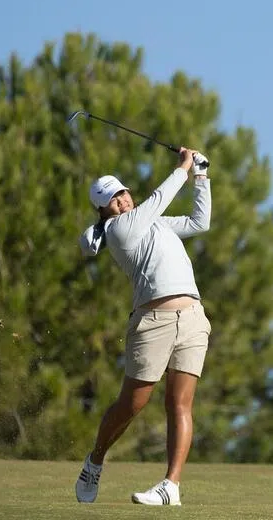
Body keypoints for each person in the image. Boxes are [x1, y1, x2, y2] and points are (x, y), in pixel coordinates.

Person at [73, 147, 212, 505]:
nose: (122, 200)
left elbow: (200, 222)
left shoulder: (156, 223)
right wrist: (183, 167)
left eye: (122, 193)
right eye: (113, 199)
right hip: (153, 323)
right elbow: (159, 198)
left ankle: (171, 487)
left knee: (180, 404)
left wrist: (201, 176)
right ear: (103, 210)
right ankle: (95, 461)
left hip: (192, 318)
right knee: (131, 404)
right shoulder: (119, 230)